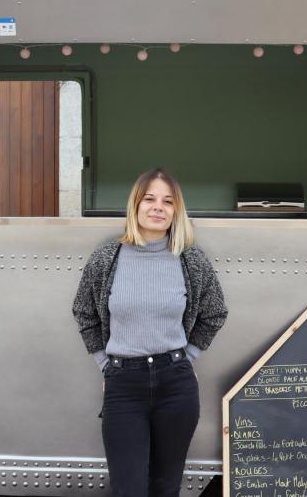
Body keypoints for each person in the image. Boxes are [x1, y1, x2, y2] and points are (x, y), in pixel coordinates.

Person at [72, 168, 228, 497]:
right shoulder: (107, 258)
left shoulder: (191, 259)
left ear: (176, 211)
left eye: (168, 201)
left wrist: (188, 356)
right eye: (150, 199)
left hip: (176, 385)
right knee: (129, 488)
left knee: (165, 487)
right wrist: (103, 362)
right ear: (136, 205)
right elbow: (83, 311)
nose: (158, 207)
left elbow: (215, 312)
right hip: (123, 387)